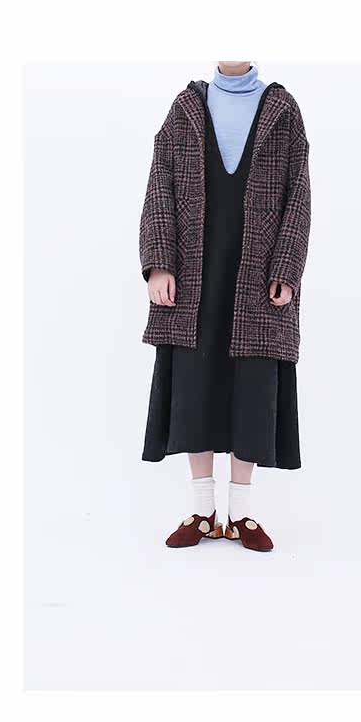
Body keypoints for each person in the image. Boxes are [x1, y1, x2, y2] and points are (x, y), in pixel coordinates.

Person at [139, 61, 311, 551]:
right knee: (194, 387)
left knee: (252, 390)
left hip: (259, 277)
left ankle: (241, 514)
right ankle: (202, 510)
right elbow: (159, 188)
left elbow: (299, 197)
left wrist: (286, 268)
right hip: (193, 275)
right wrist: (159, 264)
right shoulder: (185, 108)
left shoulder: (282, 110)